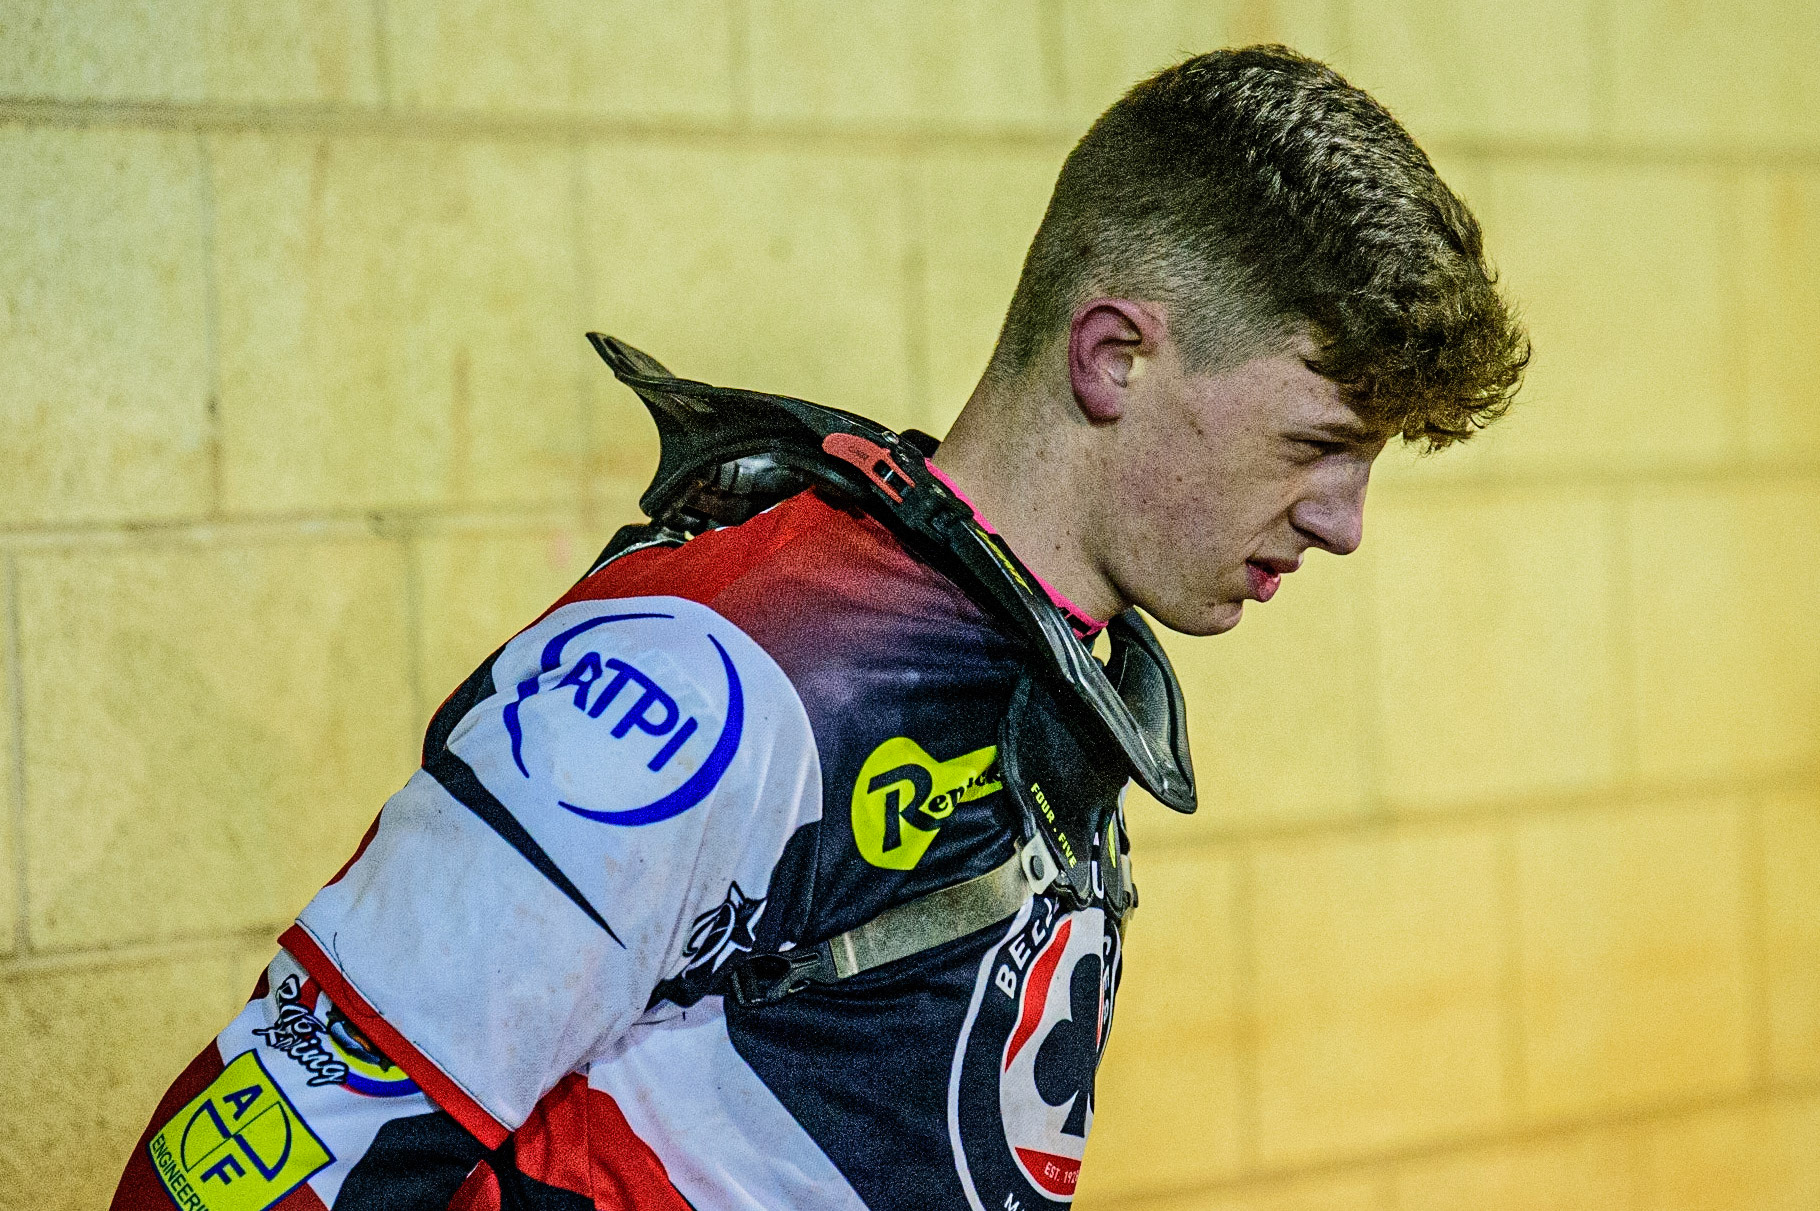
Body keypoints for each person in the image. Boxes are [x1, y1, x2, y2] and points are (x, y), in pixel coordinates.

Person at [113, 45, 1526, 1211]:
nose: (1343, 520)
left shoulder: (1032, 674)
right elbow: (234, 1179)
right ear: (1117, 358)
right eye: (1316, 445)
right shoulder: (713, 675)